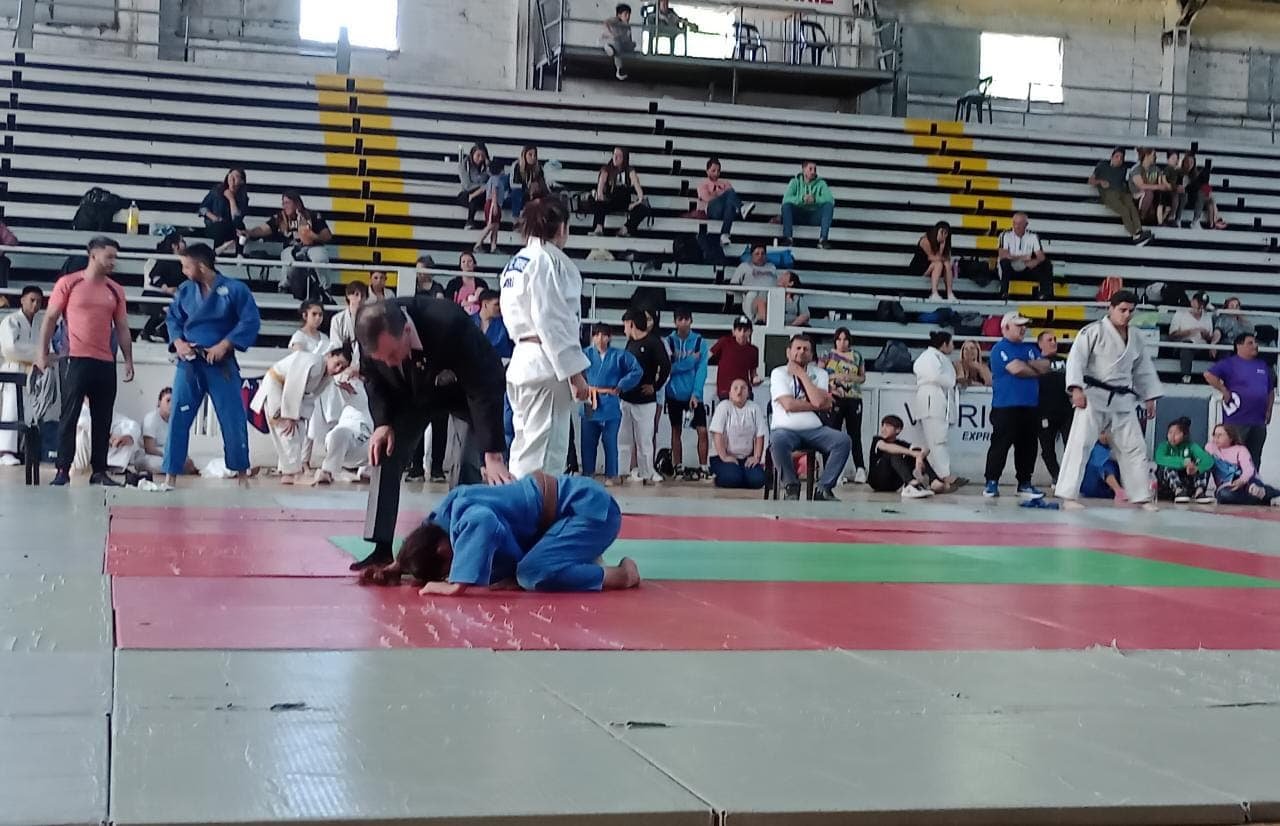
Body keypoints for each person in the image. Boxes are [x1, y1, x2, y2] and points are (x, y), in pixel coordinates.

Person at [352, 294, 513, 570]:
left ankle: (460, 546)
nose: (389, 362)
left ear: (406, 330)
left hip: (463, 394)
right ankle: (381, 546)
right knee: (385, 453)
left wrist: (493, 453)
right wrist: (382, 423)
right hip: (409, 395)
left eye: (392, 354)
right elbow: (373, 379)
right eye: (382, 358)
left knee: (465, 465)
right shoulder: (370, 333)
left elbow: (484, 383)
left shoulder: (448, 322)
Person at [360, 473, 641, 593]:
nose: (450, 569)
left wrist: (457, 584)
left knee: (530, 575)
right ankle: (577, 559)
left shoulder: (469, 516)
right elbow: (420, 541)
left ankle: (621, 575)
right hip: (569, 519)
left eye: (447, 568)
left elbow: (482, 522)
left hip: (591, 513)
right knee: (505, 573)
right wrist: (400, 564)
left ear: (443, 550)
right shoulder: (442, 519)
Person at [499, 185, 591, 478]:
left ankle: (520, 500)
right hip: (545, 363)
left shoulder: (517, 261)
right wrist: (575, 373)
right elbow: (551, 319)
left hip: (523, 358)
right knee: (545, 454)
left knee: (525, 446)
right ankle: (531, 505)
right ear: (561, 227)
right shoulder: (548, 261)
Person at [35, 237, 134, 488]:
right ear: (93, 255)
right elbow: (50, 318)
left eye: (115, 257)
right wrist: (42, 352)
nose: (113, 262)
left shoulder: (115, 289)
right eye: (109, 256)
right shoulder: (69, 283)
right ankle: (63, 469)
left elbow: (122, 327)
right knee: (70, 415)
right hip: (75, 358)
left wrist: (128, 360)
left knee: (103, 418)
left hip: (104, 360)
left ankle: (99, 470)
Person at [161, 242, 261, 487]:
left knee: (233, 417)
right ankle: (170, 474)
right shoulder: (185, 290)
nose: (183, 271)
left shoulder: (235, 289)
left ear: (202, 266)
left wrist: (225, 344)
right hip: (189, 363)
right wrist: (178, 343)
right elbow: (173, 319)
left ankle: (241, 473)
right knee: (178, 417)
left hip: (221, 364)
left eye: (187, 266)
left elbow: (250, 321)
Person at [1056, 290, 1163, 509]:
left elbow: (1143, 369)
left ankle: (1141, 496)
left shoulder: (1136, 337)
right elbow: (1076, 360)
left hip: (1122, 399)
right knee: (1080, 444)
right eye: (1122, 310)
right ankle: (1068, 496)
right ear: (1111, 308)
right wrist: (1076, 389)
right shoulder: (1092, 331)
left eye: (1131, 311)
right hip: (1093, 396)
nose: (1127, 315)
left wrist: (1149, 396)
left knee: (1135, 447)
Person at [250, 346, 352, 484]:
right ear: (329, 355)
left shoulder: (326, 377)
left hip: (289, 395)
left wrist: (299, 417)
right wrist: (290, 416)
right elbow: (294, 385)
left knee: (299, 430)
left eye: (343, 367)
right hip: (277, 386)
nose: (338, 369)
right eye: (337, 363)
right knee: (287, 430)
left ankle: (286, 469)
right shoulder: (313, 362)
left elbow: (310, 396)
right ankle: (291, 473)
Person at [768, 333, 850, 501]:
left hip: (815, 429)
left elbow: (819, 401)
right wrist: (816, 404)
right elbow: (789, 405)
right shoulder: (778, 373)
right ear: (788, 352)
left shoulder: (820, 374)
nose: (801, 352)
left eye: (806, 349)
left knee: (843, 440)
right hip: (785, 429)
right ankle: (791, 486)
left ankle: (823, 488)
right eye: (797, 348)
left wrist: (801, 374)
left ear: (812, 355)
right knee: (777, 441)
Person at [983, 311, 1051, 499]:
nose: (1023, 329)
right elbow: (1017, 369)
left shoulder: (1030, 348)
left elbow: (1045, 366)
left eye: (1024, 326)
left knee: (1028, 446)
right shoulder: (999, 348)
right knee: (1000, 445)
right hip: (1006, 405)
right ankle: (991, 481)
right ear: (1005, 327)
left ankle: (1024, 483)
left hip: (1030, 405)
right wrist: (1033, 367)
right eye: (1019, 326)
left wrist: (1027, 364)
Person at [1205, 332, 1276, 471]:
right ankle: (1231, 480)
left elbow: (1270, 390)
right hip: (1236, 420)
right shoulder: (1229, 363)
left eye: (1255, 343)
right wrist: (1224, 390)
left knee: (1254, 457)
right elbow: (1208, 375)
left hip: (1258, 420)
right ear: (1239, 346)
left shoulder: (1262, 365)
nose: (1255, 346)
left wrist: (1269, 410)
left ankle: (1251, 481)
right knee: (1233, 455)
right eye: (1250, 343)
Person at [581, 323, 642, 485]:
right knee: (588, 441)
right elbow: (574, 371)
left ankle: (612, 474)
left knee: (610, 440)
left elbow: (637, 370)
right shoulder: (585, 354)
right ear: (592, 337)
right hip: (590, 399)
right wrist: (581, 386)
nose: (600, 338)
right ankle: (588, 473)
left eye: (604, 335)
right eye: (596, 335)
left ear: (609, 337)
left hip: (610, 401)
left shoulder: (619, 355)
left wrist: (621, 385)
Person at [619, 307, 671, 484]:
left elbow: (666, 366)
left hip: (645, 401)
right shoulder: (630, 343)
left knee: (644, 440)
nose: (624, 329)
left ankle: (647, 473)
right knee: (624, 439)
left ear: (631, 324)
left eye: (625, 325)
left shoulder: (653, 342)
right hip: (626, 399)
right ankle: (622, 472)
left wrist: (655, 386)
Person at [242, 190, 334, 289]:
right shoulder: (281, 217)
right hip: (291, 247)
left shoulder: (312, 215)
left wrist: (313, 236)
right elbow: (264, 229)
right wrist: (249, 232)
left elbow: (327, 235)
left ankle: (325, 288)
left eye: (287, 203)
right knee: (288, 260)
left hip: (314, 246)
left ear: (297, 203)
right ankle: (284, 287)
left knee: (319, 258)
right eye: (283, 203)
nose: (284, 206)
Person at [912, 330, 966, 491]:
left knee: (936, 441)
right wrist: (954, 379)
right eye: (951, 343)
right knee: (937, 441)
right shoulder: (930, 357)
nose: (953, 346)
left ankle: (937, 477)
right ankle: (944, 475)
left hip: (937, 402)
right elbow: (937, 376)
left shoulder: (935, 357)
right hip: (933, 402)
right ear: (944, 344)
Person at [663, 307, 710, 479]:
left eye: (686, 319)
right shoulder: (668, 342)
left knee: (702, 431)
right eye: (680, 319)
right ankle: (678, 466)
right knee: (676, 430)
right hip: (674, 394)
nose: (683, 322)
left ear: (691, 320)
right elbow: (668, 369)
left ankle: (704, 467)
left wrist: (696, 393)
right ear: (675, 322)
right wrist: (690, 361)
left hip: (694, 395)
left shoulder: (700, 342)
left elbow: (702, 370)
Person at [0, 285, 43, 466]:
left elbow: (46, 347)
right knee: (11, 410)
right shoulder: (11, 320)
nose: (35, 305)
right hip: (13, 369)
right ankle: (5, 451)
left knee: (28, 413)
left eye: (38, 302)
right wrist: (39, 354)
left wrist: (44, 357)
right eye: (32, 300)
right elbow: (10, 348)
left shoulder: (39, 324)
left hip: (31, 372)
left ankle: (24, 450)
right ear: (22, 300)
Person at [822, 327, 867, 484]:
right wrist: (836, 377)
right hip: (834, 397)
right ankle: (832, 470)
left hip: (853, 397)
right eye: (839, 339)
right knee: (833, 433)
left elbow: (862, 377)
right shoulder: (827, 355)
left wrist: (851, 378)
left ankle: (860, 468)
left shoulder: (857, 356)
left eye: (845, 339)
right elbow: (820, 374)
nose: (842, 343)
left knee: (855, 434)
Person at [868, 414, 947, 498]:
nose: (883, 429)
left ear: (898, 430)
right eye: (882, 426)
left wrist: (919, 456)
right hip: (877, 480)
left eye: (887, 426)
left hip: (894, 484)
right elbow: (885, 447)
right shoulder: (877, 439)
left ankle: (933, 481)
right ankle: (911, 484)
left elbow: (925, 449)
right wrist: (913, 453)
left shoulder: (901, 443)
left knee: (916, 450)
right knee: (894, 452)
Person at [313, 378, 374, 485]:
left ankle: (367, 471)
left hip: (367, 445)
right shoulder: (354, 387)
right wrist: (345, 386)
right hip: (344, 440)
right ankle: (328, 470)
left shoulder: (377, 391)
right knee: (340, 434)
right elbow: (349, 391)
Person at [709, 377, 767, 489]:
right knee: (732, 479)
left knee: (758, 481)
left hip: (745, 457)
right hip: (722, 457)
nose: (739, 391)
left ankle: (742, 475)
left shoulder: (754, 408)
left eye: (743, 388)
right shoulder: (723, 407)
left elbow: (760, 435)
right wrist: (724, 457)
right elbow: (717, 434)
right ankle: (723, 476)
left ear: (748, 393)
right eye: (735, 388)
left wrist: (756, 457)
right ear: (730, 393)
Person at [1089, 148, 1153, 245]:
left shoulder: (1123, 169)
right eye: (1117, 157)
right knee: (1124, 210)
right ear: (1112, 157)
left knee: (1132, 207)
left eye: (1121, 158)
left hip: (1122, 192)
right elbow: (1091, 181)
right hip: (1109, 193)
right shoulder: (1102, 165)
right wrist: (1100, 182)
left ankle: (1139, 231)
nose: (1119, 159)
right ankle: (1134, 235)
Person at [1207, 424, 1280, 507]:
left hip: (1248, 481)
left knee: (1254, 488)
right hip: (1228, 486)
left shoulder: (1240, 449)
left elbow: (1248, 469)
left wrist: (1242, 480)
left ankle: (1270, 494)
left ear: (1231, 437)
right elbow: (1204, 463)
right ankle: (1264, 500)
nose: (1216, 438)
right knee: (1223, 495)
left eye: (1220, 435)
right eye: (1214, 435)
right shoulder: (1210, 448)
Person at [1035, 331, 1071, 485]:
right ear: (1040, 344)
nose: (1053, 342)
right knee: (1047, 449)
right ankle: (1057, 477)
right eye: (1049, 340)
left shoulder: (1066, 361)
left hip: (1066, 411)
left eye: (1055, 339)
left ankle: (1069, 479)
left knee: (1071, 447)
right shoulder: (1036, 363)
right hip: (1044, 412)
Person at [138, 230, 187, 343]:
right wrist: (165, 288)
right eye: (182, 241)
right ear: (174, 245)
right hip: (156, 295)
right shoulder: (165, 260)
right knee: (166, 308)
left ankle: (165, 332)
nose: (185, 243)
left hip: (175, 296)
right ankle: (147, 332)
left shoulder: (184, 261)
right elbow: (155, 276)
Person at [591, 147, 650, 237]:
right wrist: (601, 198)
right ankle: (599, 228)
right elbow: (600, 192)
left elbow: (640, 194)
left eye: (619, 156)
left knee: (643, 209)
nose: (615, 158)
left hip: (624, 202)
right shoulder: (606, 169)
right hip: (610, 201)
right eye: (614, 155)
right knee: (598, 203)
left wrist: (635, 204)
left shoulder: (630, 170)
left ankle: (625, 229)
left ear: (624, 158)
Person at [72, 401, 143, 476]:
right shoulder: (76, 408)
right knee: (82, 432)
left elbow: (132, 424)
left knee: (127, 432)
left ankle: (112, 466)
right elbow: (81, 423)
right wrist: (106, 436)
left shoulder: (103, 410)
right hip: (80, 456)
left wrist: (127, 437)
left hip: (106, 452)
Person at [1153, 417, 1213, 504]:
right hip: (1169, 486)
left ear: (1184, 435)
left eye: (1177, 433)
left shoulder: (1191, 446)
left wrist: (1196, 468)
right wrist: (1183, 462)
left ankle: (1199, 492)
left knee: (1202, 466)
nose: (1172, 436)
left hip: (1187, 482)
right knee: (1168, 467)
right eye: (1170, 433)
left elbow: (1208, 460)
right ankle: (1178, 491)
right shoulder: (1164, 446)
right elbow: (1160, 458)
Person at [698, 157, 754, 245]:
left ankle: (724, 234)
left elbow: (732, 198)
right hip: (711, 209)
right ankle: (741, 208)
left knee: (730, 203)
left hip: (725, 210)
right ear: (707, 171)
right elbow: (707, 198)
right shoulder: (703, 184)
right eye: (713, 170)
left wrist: (718, 194)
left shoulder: (725, 183)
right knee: (729, 194)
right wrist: (721, 195)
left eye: (718, 171)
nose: (716, 173)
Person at [997, 212, 1053, 300]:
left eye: (1019, 223)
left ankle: (1044, 294)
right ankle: (1004, 292)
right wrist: (1023, 257)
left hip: (1026, 267)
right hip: (1011, 268)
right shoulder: (1005, 235)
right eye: (1014, 223)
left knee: (1047, 263)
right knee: (1004, 262)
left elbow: (1041, 256)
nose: (1016, 226)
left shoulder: (1033, 236)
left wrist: (1035, 261)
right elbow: (1003, 255)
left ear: (1026, 224)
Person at [780, 160, 835, 249]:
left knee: (828, 206)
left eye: (815, 169)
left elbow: (830, 199)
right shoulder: (794, 182)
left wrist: (815, 199)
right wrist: (802, 199)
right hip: (798, 215)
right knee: (786, 206)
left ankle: (823, 240)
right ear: (803, 170)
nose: (813, 172)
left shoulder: (821, 183)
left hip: (814, 216)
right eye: (810, 169)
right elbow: (786, 199)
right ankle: (788, 239)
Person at [141, 386, 195, 476]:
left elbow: (179, 445)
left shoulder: (177, 421)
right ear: (159, 403)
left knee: (187, 462)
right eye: (168, 400)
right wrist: (171, 456)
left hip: (167, 454)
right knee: (155, 463)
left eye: (174, 401)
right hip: (150, 455)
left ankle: (176, 468)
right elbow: (149, 448)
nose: (171, 404)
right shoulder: (151, 418)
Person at [198, 167, 248, 254]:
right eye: (231, 175)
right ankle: (216, 252)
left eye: (236, 176)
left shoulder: (243, 197)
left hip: (231, 227)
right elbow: (202, 208)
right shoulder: (216, 191)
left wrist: (231, 199)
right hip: (214, 226)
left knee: (241, 226)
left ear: (241, 181)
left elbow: (237, 219)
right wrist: (214, 217)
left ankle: (239, 255)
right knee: (220, 226)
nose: (232, 178)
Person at [709, 316, 760, 400]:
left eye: (745, 330)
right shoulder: (724, 342)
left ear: (750, 332)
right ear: (734, 331)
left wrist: (755, 379)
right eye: (739, 330)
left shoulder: (753, 350)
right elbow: (708, 356)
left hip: (744, 392)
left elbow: (753, 373)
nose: (742, 333)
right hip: (725, 391)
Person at [1169, 290, 1213, 381]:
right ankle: (1186, 377)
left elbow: (1210, 338)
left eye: (1203, 304)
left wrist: (1205, 335)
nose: (1200, 306)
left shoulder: (1207, 317)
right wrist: (1189, 332)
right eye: (1199, 303)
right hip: (1182, 347)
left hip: (1201, 348)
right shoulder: (1180, 314)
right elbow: (1172, 335)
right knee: (1187, 345)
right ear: (1192, 302)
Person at [730, 243, 778, 323]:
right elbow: (733, 285)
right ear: (751, 255)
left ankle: (760, 321)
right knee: (755, 296)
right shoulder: (744, 266)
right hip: (751, 298)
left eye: (763, 254)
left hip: (770, 298)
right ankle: (758, 322)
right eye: (757, 254)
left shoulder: (772, 267)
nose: (760, 256)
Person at [910, 221, 954, 302]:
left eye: (946, 233)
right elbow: (932, 258)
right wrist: (941, 249)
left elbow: (948, 259)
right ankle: (934, 293)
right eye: (942, 232)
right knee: (939, 264)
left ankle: (950, 293)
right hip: (920, 269)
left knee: (947, 264)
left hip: (935, 270)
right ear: (936, 231)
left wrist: (943, 246)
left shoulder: (945, 242)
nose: (943, 235)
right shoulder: (925, 240)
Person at [1183, 152, 1228, 230]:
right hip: (1187, 197)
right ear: (1184, 163)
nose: (1190, 164)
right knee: (1204, 193)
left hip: (1197, 197)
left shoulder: (1195, 174)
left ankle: (1212, 224)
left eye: (1192, 162)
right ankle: (1215, 219)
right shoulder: (1182, 173)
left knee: (1208, 198)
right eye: (1188, 162)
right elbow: (1185, 188)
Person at [329, 280, 367, 367]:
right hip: (343, 363)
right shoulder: (337, 319)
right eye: (356, 294)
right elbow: (336, 345)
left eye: (363, 295)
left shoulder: (370, 319)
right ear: (348, 296)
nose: (359, 299)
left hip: (365, 363)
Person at [1078, 431, 1126, 500]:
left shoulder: (1115, 449)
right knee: (1107, 465)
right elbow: (1103, 468)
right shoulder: (1096, 449)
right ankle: (1118, 491)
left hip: (1105, 490)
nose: (1105, 436)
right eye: (1102, 433)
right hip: (1093, 486)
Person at [1129, 147, 1170, 226]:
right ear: (1147, 155)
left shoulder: (1156, 169)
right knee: (1148, 193)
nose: (1155, 157)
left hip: (1152, 198)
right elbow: (1141, 186)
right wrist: (1158, 187)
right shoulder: (1136, 169)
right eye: (1153, 155)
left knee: (1163, 195)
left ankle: (1163, 220)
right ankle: (1141, 218)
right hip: (1138, 197)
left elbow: (1161, 182)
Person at [457, 142, 491, 229]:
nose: (480, 158)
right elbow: (467, 185)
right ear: (472, 154)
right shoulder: (464, 165)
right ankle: (470, 221)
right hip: (467, 193)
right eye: (478, 155)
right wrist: (483, 187)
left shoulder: (487, 166)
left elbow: (494, 181)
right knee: (472, 198)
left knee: (476, 197)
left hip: (482, 195)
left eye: (483, 156)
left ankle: (470, 222)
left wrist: (489, 168)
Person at [601, 3, 636, 81]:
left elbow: (629, 38)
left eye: (629, 14)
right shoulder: (615, 20)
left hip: (620, 44)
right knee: (616, 44)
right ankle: (619, 69)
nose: (628, 17)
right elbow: (606, 22)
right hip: (611, 41)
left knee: (632, 44)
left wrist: (630, 45)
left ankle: (611, 50)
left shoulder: (627, 26)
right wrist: (611, 34)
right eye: (625, 14)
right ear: (619, 15)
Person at [446, 252, 489, 316]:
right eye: (463, 262)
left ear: (474, 264)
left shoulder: (481, 283)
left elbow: (486, 303)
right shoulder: (453, 283)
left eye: (470, 261)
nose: (466, 264)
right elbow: (448, 303)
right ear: (460, 265)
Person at [1161, 150, 1187, 227]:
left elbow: (1184, 177)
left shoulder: (1178, 170)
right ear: (1168, 160)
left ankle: (1178, 216)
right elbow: (1164, 179)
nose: (1174, 161)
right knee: (1175, 195)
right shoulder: (1168, 168)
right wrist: (1168, 185)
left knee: (1184, 195)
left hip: (1176, 188)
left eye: (1176, 159)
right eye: (1172, 158)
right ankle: (1171, 216)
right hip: (1168, 189)